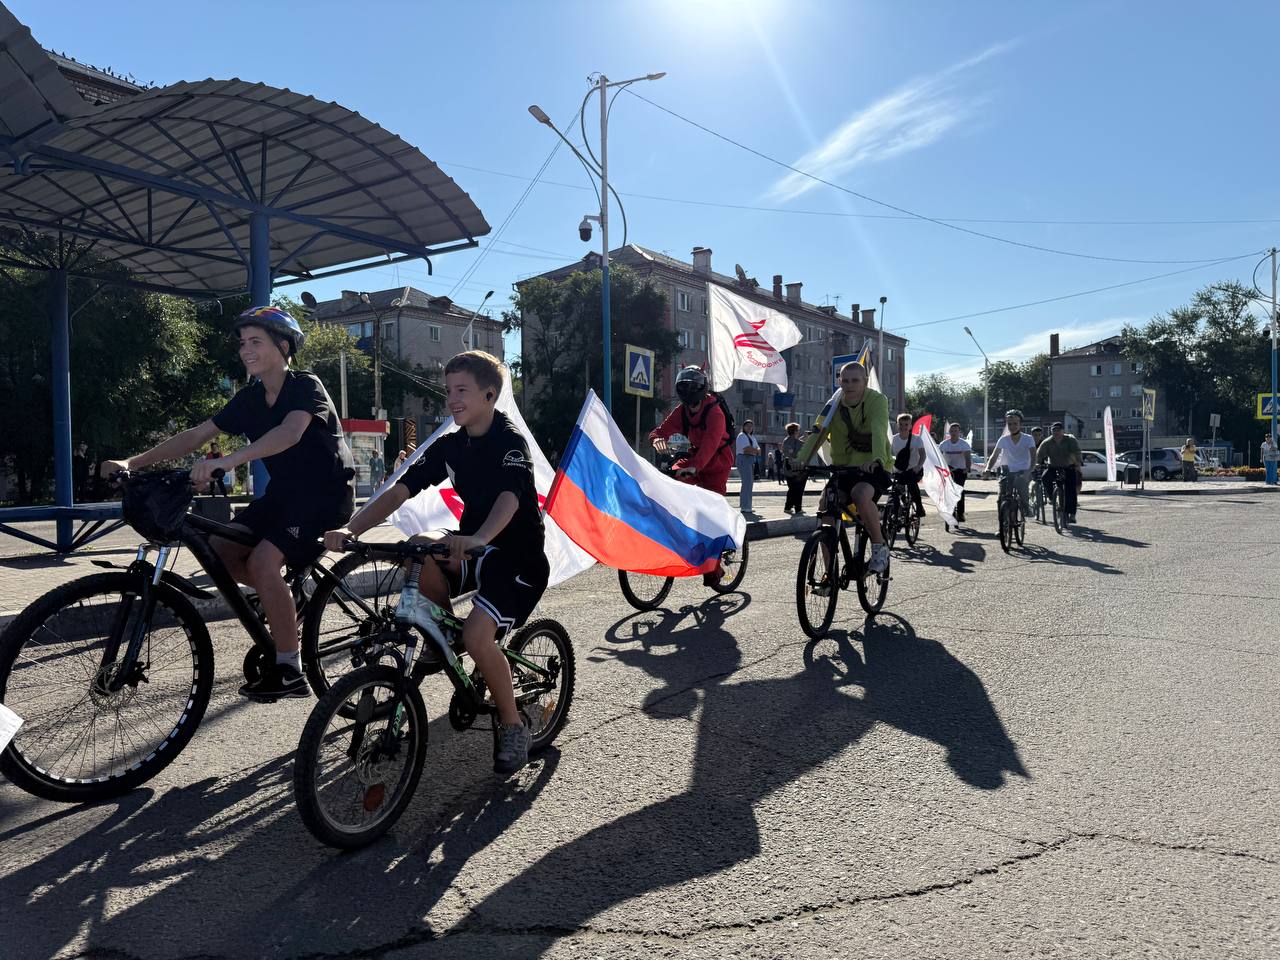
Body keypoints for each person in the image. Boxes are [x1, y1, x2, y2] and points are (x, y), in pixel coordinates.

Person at [101, 305, 355, 701]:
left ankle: (289, 670)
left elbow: (290, 432)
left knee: (261, 562)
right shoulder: (250, 399)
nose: (245, 350)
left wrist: (231, 460)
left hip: (325, 498)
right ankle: (286, 600)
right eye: (242, 343)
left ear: (283, 346)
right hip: (283, 497)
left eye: (256, 342)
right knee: (221, 550)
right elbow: (196, 435)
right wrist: (131, 463)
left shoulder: (306, 386)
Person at [324, 351, 543, 775]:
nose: (452, 400)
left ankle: (513, 724)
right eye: (448, 392)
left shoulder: (510, 441)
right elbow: (399, 489)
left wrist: (479, 537)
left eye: (461, 391)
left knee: (480, 639)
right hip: (472, 550)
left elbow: (509, 500)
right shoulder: (451, 446)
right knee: (421, 546)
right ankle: (442, 631)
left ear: (489, 394)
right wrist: (353, 529)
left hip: (517, 559)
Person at [797, 360, 892, 579]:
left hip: (874, 467)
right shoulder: (834, 404)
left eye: (855, 380)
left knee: (860, 494)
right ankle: (829, 573)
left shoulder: (877, 400)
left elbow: (878, 430)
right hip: (843, 468)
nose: (849, 385)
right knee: (826, 505)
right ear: (839, 381)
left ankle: (879, 548)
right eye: (845, 380)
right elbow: (818, 433)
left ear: (865, 382)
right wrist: (800, 460)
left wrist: (877, 459)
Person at [651, 366, 736, 585]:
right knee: (670, 481)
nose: (689, 395)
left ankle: (713, 569)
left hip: (717, 462)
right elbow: (661, 430)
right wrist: (657, 439)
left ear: (700, 389)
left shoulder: (714, 412)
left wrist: (694, 468)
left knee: (710, 514)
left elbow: (710, 446)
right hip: (695, 458)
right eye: (684, 388)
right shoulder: (683, 411)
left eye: (691, 389)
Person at [983, 409, 1037, 517]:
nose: (1012, 426)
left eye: (1015, 424)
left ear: (1020, 424)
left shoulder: (1028, 439)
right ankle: (1002, 526)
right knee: (1001, 498)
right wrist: (988, 468)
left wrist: (1029, 471)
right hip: (1007, 471)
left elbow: (1034, 457)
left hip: (1023, 470)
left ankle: (1026, 507)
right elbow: (994, 456)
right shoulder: (1003, 439)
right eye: (1009, 424)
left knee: (1021, 486)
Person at [1037, 421, 1083, 523]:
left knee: (1070, 490)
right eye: (1054, 430)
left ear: (1063, 431)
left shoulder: (1070, 440)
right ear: (1051, 432)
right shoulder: (1047, 442)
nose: (1056, 432)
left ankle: (1072, 514)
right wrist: (1037, 463)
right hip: (1053, 466)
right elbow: (1039, 455)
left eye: (1058, 430)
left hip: (1068, 467)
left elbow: (1077, 451)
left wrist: (1078, 463)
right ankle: (1051, 496)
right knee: (1045, 478)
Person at [890, 413, 927, 519]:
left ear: (910, 426)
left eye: (906, 424)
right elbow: (888, 455)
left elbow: (923, 455)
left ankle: (919, 507)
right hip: (899, 470)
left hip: (914, 470)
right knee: (895, 491)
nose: (903, 427)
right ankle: (898, 511)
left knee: (911, 483)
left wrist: (918, 466)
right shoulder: (893, 439)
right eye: (901, 424)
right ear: (897, 425)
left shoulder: (916, 440)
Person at [938, 423, 972, 530]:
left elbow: (968, 459)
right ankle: (949, 512)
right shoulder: (944, 444)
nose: (953, 433)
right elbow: (938, 458)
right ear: (949, 432)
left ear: (959, 432)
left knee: (959, 490)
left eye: (955, 431)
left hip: (960, 470)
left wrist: (967, 468)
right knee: (947, 491)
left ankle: (960, 513)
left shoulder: (964, 444)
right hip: (947, 470)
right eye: (951, 431)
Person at [736, 420, 761, 514]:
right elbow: (747, 449)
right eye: (747, 426)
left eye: (751, 426)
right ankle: (745, 507)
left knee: (749, 483)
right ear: (743, 427)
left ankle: (748, 505)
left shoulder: (752, 437)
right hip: (744, 459)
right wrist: (755, 451)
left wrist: (755, 450)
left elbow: (758, 449)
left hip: (750, 460)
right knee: (746, 483)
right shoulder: (742, 436)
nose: (749, 428)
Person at [781, 422, 807, 514]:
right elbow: (790, 452)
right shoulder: (789, 441)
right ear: (795, 431)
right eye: (797, 430)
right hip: (793, 468)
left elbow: (798, 443)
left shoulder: (789, 440)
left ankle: (794, 508)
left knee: (795, 489)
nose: (798, 432)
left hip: (793, 468)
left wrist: (804, 438)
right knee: (795, 489)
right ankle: (793, 508)